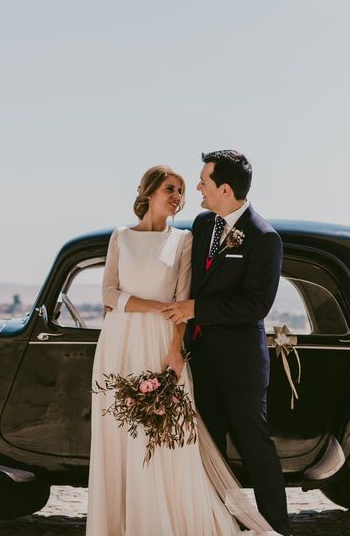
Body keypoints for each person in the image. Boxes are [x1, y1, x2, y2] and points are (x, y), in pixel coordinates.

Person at [87, 165, 279, 536]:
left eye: (184, 190)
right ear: (147, 192)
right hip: (118, 346)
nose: (180, 195)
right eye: (170, 189)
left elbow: (186, 298)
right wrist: (154, 307)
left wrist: (175, 348)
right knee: (120, 437)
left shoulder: (188, 238)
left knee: (171, 441)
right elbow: (107, 293)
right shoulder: (123, 236)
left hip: (165, 343)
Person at [163, 150, 291, 536]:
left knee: (256, 451)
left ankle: (278, 530)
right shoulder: (203, 224)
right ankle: (218, 527)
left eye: (203, 181)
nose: (198, 187)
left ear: (225, 188)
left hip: (240, 367)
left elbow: (256, 304)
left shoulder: (264, 238)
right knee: (210, 451)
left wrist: (196, 309)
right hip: (200, 361)